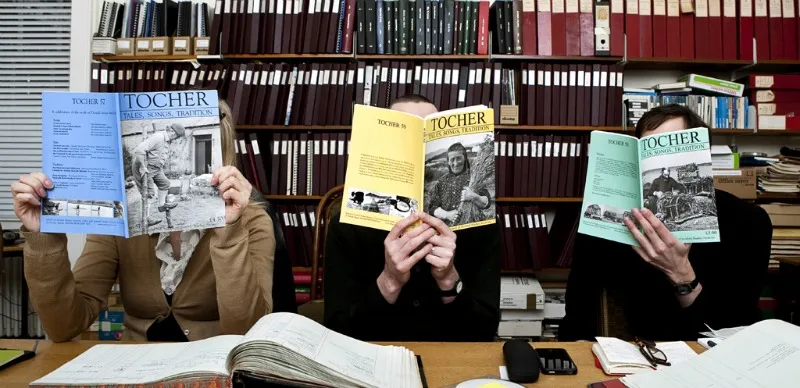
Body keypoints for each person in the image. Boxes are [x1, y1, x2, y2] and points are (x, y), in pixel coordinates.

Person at [12, 100, 276, 342]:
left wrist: (228, 229)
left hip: (214, 367)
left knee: (165, 188)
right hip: (134, 368)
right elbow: (64, 327)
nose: (176, 143)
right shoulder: (119, 218)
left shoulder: (253, 222)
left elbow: (246, 332)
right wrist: (43, 236)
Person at [560, 104, 772, 341]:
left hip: (705, 357)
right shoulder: (609, 222)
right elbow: (579, 313)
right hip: (629, 353)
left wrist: (680, 272)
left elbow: (734, 329)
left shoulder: (748, 222)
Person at [323, 94, 500, 341]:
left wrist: (448, 278)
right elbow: (337, 334)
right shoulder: (346, 227)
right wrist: (389, 281)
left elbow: (483, 332)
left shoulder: (480, 226)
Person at [133, 123, 185, 227]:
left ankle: (161, 205)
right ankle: (147, 219)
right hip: (145, 167)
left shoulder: (167, 140)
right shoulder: (159, 137)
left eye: (177, 137)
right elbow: (139, 150)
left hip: (156, 169)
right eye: (175, 136)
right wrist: (143, 167)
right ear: (171, 131)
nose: (175, 139)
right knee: (149, 193)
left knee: (165, 183)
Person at [427, 142, 492, 226]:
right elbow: (432, 207)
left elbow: (487, 202)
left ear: (464, 158)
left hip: (472, 226)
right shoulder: (442, 181)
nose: (455, 163)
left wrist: (474, 197)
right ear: (448, 162)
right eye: (452, 160)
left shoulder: (474, 178)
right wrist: (447, 214)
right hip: (448, 229)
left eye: (459, 158)